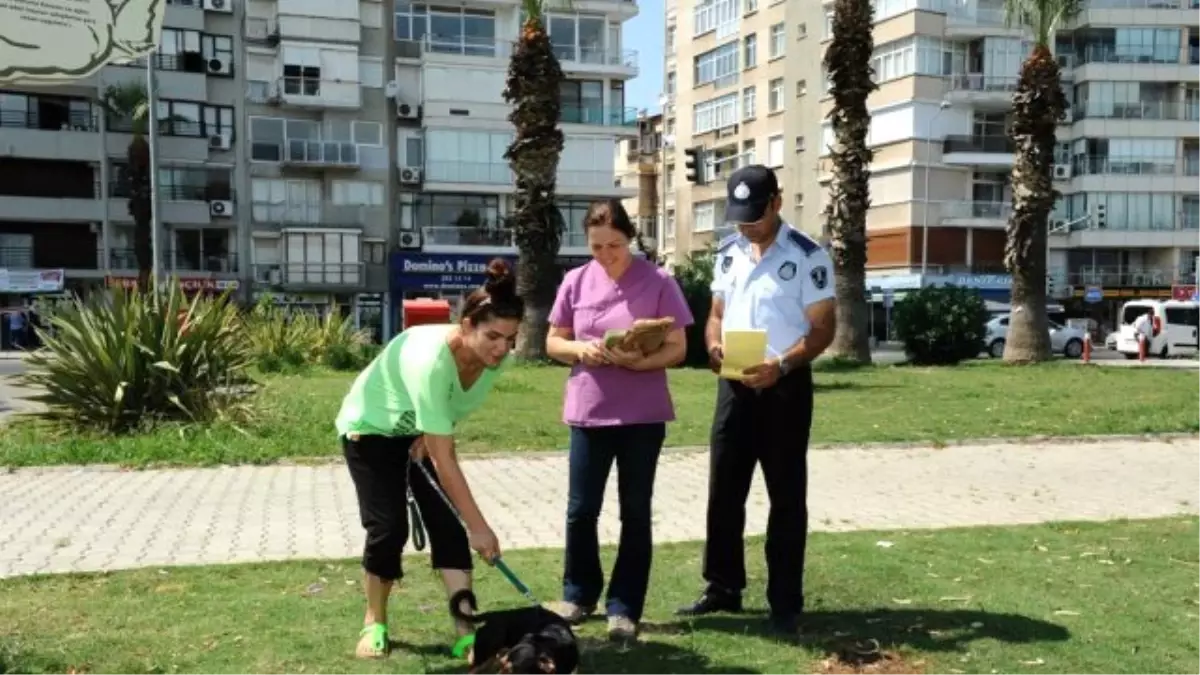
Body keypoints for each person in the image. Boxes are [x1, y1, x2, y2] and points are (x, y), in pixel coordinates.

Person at [676, 165, 837, 635]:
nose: (746, 225)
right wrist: (713, 344)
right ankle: (722, 586)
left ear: (776, 203)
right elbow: (716, 315)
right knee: (724, 488)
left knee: (786, 496)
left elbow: (823, 329)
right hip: (733, 385)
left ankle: (785, 600)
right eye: (739, 216)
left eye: (754, 215)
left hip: (785, 385)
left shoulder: (809, 256)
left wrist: (782, 366)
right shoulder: (728, 253)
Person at [335, 258, 523, 659]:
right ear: (467, 325)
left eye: (511, 339)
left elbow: (451, 406)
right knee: (388, 528)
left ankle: (466, 631)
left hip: (417, 431)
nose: (502, 348)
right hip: (370, 430)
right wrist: (481, 528)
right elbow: (445, 458)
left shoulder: (493, 360)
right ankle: (375, 622)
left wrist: (427, 428)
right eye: (493, 336)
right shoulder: (431, 358)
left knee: (449, 527)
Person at [544, 199, 693, 641]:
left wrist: (636, 361)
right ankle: (578, 594)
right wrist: (580, 350)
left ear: (630, 238)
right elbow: (553, 341)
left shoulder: (660, 281)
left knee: (635, 512)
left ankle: (624, 607)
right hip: (589, 412)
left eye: (614, 244)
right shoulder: (574, 281)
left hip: (642, 416)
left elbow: (678, 348)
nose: (606, 254)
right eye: (596, 246)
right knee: (581, 510)